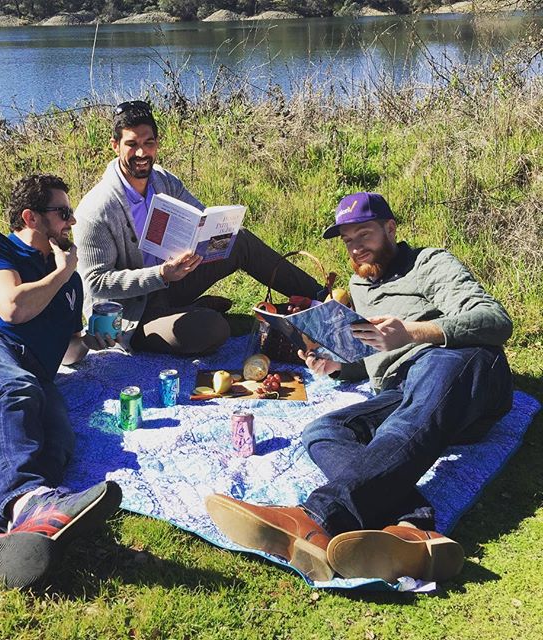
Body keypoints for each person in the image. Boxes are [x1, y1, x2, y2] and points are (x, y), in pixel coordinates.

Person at [205, 192, 513, 584]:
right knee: (323, 431)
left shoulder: (430, 263)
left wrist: (412, 333)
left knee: (419, 399)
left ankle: (314, 519)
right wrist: (339, 366)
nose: (355, 247)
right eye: (348, 240)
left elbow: (495, 320)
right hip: (404, 389)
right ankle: (412, 531)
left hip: (464, 370)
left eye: (363, 234)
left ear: (390, 228)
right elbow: (376, 351)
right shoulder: (359, 283)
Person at [0, 174, 122, 589]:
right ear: (30, 216)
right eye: (63, 213)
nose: (71, 223)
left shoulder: (69, 282)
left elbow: (67, 352)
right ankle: (30, 502)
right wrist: (62, 273)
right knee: (13, 388)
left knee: (56, 440)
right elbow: (12, 307)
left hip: (28, 375)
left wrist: (88, 340)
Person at [73, 100, 326, 355]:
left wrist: (214, 233)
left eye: (148, 143)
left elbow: (201, 219)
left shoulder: (163, 181)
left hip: (173, 283)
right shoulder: (97, 209)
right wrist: (160, 275)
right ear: (115, 145)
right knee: (210, 328)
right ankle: (198, 314)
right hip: (133, 313)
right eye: (132, 144)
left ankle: (323, 299)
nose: (141, 153)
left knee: (239, 241)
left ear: (157, 143)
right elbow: (95, 282)